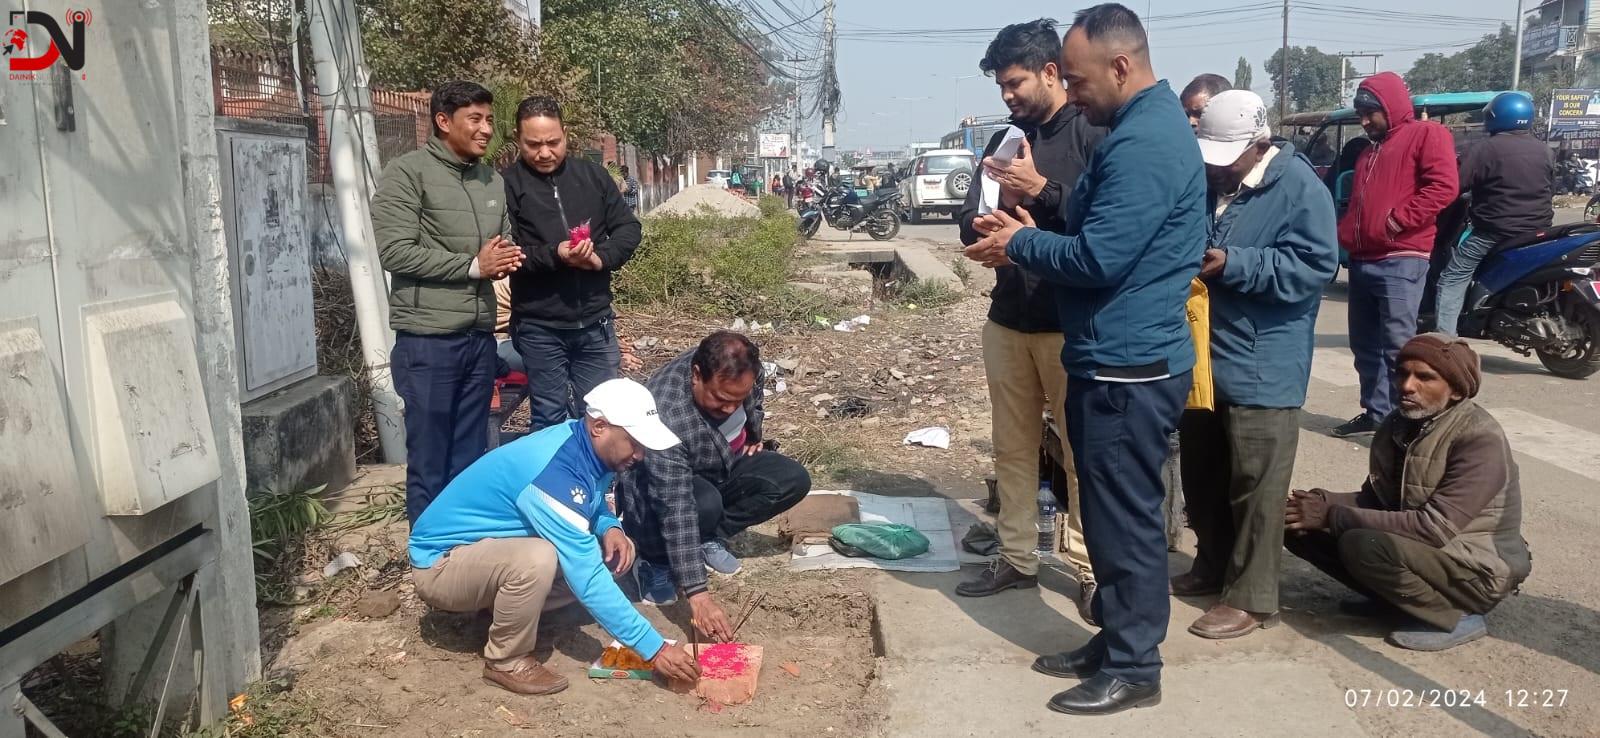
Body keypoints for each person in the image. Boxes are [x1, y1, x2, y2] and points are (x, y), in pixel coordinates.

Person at [964, 4, 1206, 716]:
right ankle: (1117, 642)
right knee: (1102, 510)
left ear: (1120, 65)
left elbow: (1100, 257)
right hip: (1109, 354)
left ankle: (1136, 665)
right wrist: (1037, 215)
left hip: (1129, 363)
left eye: (1076, 76)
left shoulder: (1144, 143)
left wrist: (1022, 242)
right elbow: (1100, 230)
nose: (1074, 89)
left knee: (1125, 519)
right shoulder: (1130, 131)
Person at [408, 378, 702, 694]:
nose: (640, 454)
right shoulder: (552, 471)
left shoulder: (581, 444)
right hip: (441, 565)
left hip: (481, 555)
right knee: (540, 560)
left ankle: (499, 611)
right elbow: (586, 577)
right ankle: (506, 660)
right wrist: (654, 649)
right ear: (600, 426)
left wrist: (608, 527)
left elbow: (591, 499)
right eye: (635, 442)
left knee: (599, 560)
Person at [954, 18, 1106, 625]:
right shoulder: (1002, 141)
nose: (1008, 96)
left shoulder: (1094, 134)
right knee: (1012, 449)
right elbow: (970, 213)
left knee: (1080, 453)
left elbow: (1103, 223)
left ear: (1050, 72)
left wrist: (1042, 191)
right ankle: (1017, 558)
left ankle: (1094, 572)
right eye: (1000, 86)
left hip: (1069, 323)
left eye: (1015, 83)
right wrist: (983, 230)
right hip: (1008, 319)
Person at [1170, 90, 1338, 639]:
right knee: (1204, 472)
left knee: (1257, 487)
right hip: (1205, 359)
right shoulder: (1212, 184)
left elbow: (1315, 266)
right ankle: (1213, 565)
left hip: (1264, 358)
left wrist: (1235, 263)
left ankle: (1253, 596)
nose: (1217, 171)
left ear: (1260, 144)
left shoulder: (1298, 188)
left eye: (1228, 160)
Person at [1286, 334, 1531, 651]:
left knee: (1364, 543)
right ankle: (1397, 603)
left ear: (1456, 389)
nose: (1407, 386)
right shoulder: (1398, 424)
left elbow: (1434, 528)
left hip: (1476, 571)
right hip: (1428, 554)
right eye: (1402, 373)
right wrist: (1319, 502)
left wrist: (1332, 515)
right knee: (1295, 523)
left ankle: (1455, 617)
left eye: (1425, 377)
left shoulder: (1478, 437)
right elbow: (1375, 501)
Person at [373, 80, 524, 524]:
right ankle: (427, 552)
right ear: (443, 121)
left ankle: (463, 548)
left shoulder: (490, 180)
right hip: (428, 342)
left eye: (489, 120)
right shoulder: (408, 173)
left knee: (470, 454)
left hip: (478, 340)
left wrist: (511, 255)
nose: (485, 130)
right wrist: (473, 268)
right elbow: (394, 251)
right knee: (430, 455)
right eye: (474, 119)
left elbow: (502, 240)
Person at [618, 332, 811, 637]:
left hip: (723, 463)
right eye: (721, 400)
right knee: (702, 503)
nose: (731, 408)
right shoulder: (666, 412)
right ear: (696, 376)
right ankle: (654, 561)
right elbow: (675, 504)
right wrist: (698, 595)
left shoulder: (745, 368)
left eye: (738, 400)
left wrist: (753, 432)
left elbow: (755, 397)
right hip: (661, 488)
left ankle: (707, 537)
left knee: (792, 479)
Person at [503, 96, 642, 433]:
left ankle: (596, 485)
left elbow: (629, 228)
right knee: (548, 416)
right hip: (539, 326)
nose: (544, 152)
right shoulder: (507, 186)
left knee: (600, 415)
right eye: (533, 144)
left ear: (565, 134)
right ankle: (551, 485)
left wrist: (600, 258)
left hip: (595, 323)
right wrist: (555, 254)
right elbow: (506, 251)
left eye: (553, 142)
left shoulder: (593, 177)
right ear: (517, 139)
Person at [1333, 72, 1459, 438]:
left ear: (1389, 106)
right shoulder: (1370, 150)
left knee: (1397, 347)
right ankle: (1376, 413)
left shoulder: (1426, 134)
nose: (1364, 120)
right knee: (1364, 345)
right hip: (1363, 258)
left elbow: (1444, 187)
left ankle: (1403, 421)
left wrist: (1397, 221)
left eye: (1370, 112)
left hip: (1401, 257)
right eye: (1360, 113)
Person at [1434, 93, 1552, 336]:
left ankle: (1444, 340)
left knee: (1452, 278)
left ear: (1495, 117)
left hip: (1493, 233)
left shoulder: (1485, 149)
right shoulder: (1545, 150)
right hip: (1539, 230)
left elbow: (1456, 186)